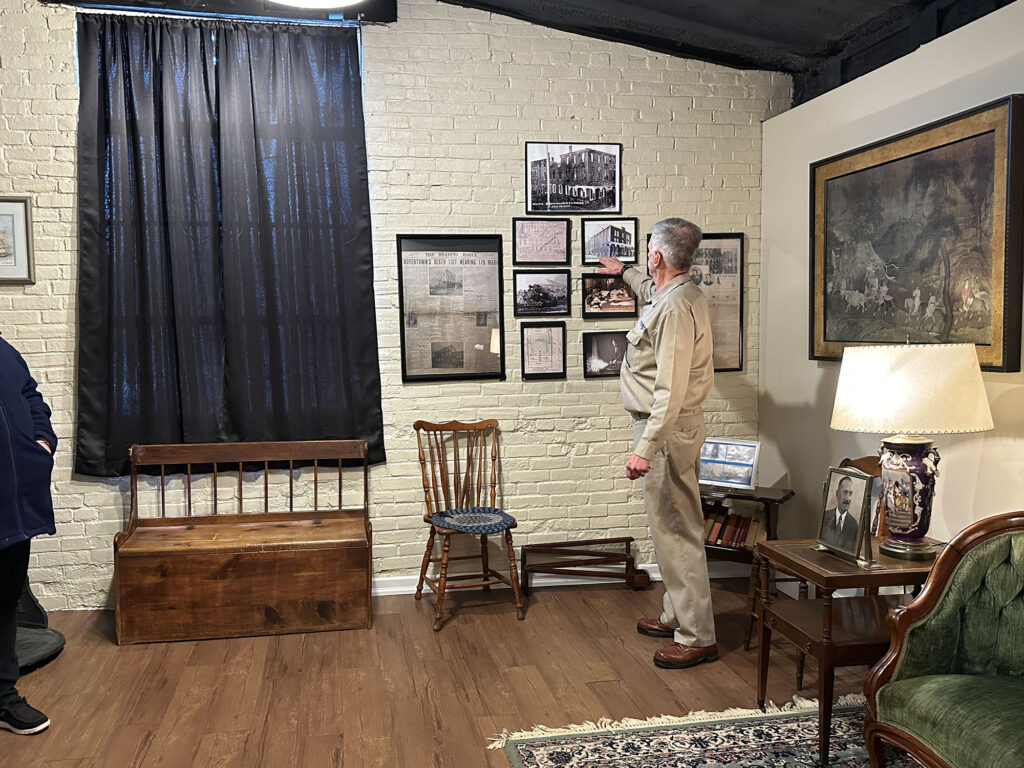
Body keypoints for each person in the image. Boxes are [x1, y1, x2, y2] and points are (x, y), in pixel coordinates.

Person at [598, 218, 716, 670]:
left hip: (664, 431)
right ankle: (676, 615)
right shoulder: (677, 294)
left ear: (657, 256)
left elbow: (669, 391)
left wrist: (643, 449)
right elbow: (651, 290)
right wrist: (624, 271)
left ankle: (697, 635)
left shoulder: (675, 309)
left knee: (678, 533)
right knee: (669, 529)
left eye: (648, 250)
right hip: (668, 429)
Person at [0, 332, 56, 734]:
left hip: (13, 502)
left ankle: (3, 697)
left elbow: (30, 395)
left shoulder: (3, 348)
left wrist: (42, 441)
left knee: (5, 599)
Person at [822, 475, 860, 553]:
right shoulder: (825, 517)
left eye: (850, 493)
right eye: (845, 492)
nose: (848, 498)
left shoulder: (854, 525)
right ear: (837, 494)